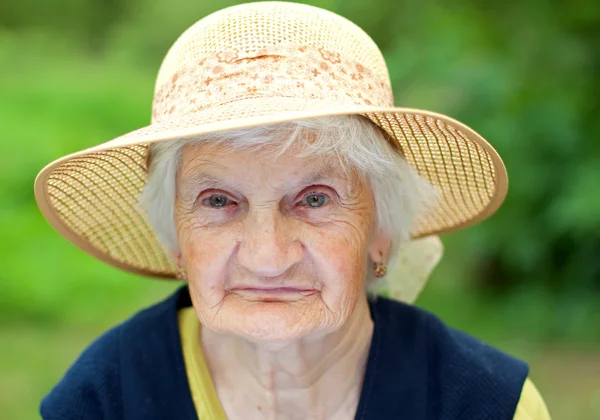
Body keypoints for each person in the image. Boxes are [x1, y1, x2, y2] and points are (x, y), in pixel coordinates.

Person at [35, 2, 551, 419]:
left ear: (380, 233)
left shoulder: (489, 405)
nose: (267, 257)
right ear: (176, 241)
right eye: (218, 201)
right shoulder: (99, 401)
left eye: (315, 199)